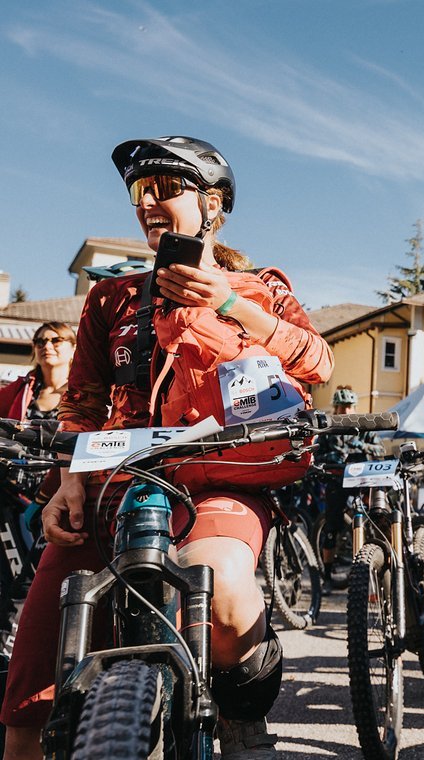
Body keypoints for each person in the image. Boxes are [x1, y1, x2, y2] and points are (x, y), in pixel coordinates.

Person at [0, 136, 333, 760]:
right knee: (30, 689)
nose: (147, 204)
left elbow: (317, 359)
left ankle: (240, 706)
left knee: (226, 593)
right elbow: (81, 404)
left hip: (217, 481)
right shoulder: (110, 298)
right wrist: (69, 479)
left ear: (212, 204)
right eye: (138, 192)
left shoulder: (261, 288)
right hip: (112, 483)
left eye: (164, 189)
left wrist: (227, 303)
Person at [314, 385, 386, 587]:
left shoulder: (364, 426)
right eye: (341, 406)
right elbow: (317, 455)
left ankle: (376, 570)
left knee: (378, 521)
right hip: (336, 483)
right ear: (335, 408)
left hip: (362, 484)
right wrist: (333, 457)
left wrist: (360, 446)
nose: (345, 411)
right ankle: (327, 576)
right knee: (330, 530)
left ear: (354, 407)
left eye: (349, 406)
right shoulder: (328, 429)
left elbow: (380, 449)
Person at [0, 322, 76, 423]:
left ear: (74, 348)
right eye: (40, 342)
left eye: (56, 341)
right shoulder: (22, 388)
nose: (47, 346)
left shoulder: (87, 392)